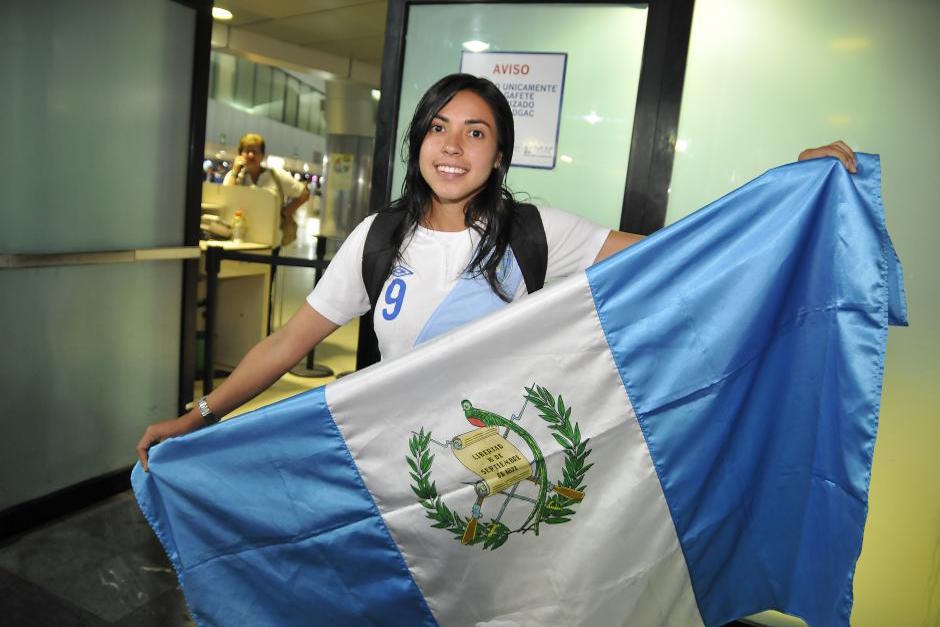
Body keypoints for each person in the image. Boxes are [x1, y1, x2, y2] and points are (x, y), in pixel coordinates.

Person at [137, 74, 856, 469]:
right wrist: (197, 417)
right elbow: (284, 345)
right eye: (438, 128)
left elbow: (680, 254)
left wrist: (785, 193)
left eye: (475, 131)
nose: (453, 146)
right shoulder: (377, 237)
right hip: (404, 466)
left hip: (504, 465)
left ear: (499, 153)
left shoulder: (540, 233)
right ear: (418, 142)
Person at [223, 133, 311, 245]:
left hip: (270, 241)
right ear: (240, 154)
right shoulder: (234, 176)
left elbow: (304, 194)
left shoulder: (276, 175)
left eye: (255, 152)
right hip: (239, 239)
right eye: (247, 151)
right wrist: (235, 171)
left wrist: (283, 213)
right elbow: (226, 199)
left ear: (262, 155)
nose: (251, 155)